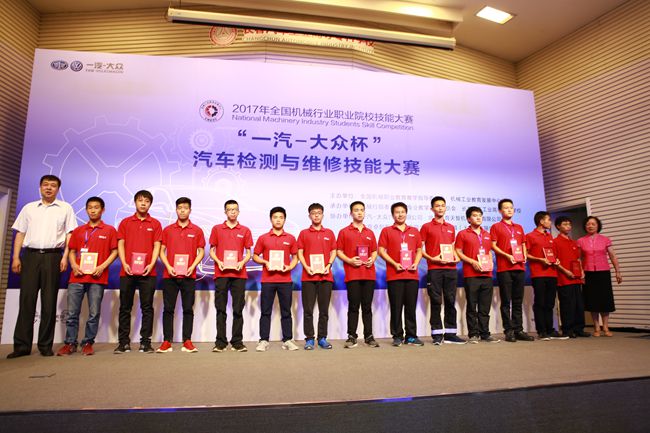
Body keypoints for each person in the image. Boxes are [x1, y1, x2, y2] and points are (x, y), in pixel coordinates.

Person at [8, 174, 77, 358]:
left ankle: (45, 346)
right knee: (26, 300)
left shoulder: (65, 208)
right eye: (45, 185)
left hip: (53, 257)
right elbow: (20, 234)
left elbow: (70, 235)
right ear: (40, 187)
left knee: (49, 301)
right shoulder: (29, 208)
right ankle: (21, 346)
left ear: (58, 189)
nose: (49, 188)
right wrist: (15, 257)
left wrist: (65, 257)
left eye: (53, 185)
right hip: (30, 256)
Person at [56, 197, 118, 356]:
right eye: (90, 207)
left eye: (96, 207)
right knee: (72, 313)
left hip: (97, 278)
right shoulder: (78, 230)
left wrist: (102, 266)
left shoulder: (110, 230)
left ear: (103, 210)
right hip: (77, 277)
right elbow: (72, 251)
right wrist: (74, 265)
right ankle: (70, 343)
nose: (93, 210)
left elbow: (115, 251)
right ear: (86, 210)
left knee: (94, 313)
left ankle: (88, 343)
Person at [114, 190, 162, 354]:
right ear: (135, 202)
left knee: (147, 307)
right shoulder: (125, 222)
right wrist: (124, 263)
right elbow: (120, 244)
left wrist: (151, 264)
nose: (143, 203)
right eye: (140, 200)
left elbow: (157, 246)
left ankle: (145, 342)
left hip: (148, 272)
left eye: (147, 201)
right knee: (125, 307)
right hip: (127, 271)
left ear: (150, 204)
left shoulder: (155, 224)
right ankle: (123, 343)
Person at [157, 197, 205, 353]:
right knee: (168, 309)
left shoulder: (197, 230)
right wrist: (168, 266)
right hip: (170, 275)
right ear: (176, 210)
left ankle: (187, 341)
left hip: (189, 276)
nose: (182, 210)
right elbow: (161, 251)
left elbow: (201, 251)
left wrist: (192, 266)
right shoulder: (168, 230)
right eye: (179, 208)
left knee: (188, 309)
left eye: (185, 207)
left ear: (190, 210)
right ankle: (166, 341)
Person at [209, 199, 253, 352]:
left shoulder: (245, 230)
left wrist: (242, 262)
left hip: (239, 275)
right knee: (220, 309)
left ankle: (237, 342)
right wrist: (219, 262)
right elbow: (212, 251)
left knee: (238, 309)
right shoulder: (217, 229)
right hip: (221, 273)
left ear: (238, 212)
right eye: (229, 209)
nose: (232, 212)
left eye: (235, 209)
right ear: (225, 212)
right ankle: (220, 342)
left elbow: (249, 253)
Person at [253, 206, 299, 351]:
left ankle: (288, 340)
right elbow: (255, 256)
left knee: (286, 311)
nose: (278, 220)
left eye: (281, 217)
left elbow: (295, 257)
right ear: (271, 219)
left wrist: (290, 267)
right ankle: (263, 340)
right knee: (265, 311)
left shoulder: (290, 238)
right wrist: (265, 262)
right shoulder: (263, 238)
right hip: (268, 280)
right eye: (275, 217)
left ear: (284, 219)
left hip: (285, 280)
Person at [420, 196, 465, 345]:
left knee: (450, 301)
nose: (440, 208)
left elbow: (452, 247)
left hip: (451, 269)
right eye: (437, 206)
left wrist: (456, 257)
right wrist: (432, 258)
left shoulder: (451, 227)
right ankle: (437, 334)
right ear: (432, 209)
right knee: (436, 301)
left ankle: (451, 334)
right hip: (435, 269)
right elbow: (420, 249)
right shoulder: (426, 227)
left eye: (443, 205)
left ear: (445, 208)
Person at [378, 202, 423, 347]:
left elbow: (419, 250)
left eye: (402, 212)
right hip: (395, 275)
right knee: (396, 307)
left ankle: (411, 336)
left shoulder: (414, 231)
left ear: (406, 213)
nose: (400, 214)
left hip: (412, 274)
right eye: (397, 212)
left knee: (411, 307)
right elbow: (381, 250)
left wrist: (416, 263)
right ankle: (397, 336)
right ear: (393, 214)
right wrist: (394, 263)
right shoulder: (386, 231)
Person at [490, 199, 534, 343]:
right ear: (500, 211)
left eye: (511, 208)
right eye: (506, 208)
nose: (509, 210)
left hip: (519, 267)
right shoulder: (496, 227)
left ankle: (518, 329)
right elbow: (493, 245)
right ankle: (508, 331)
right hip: (505, 268)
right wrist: (507, 255)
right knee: (506, 301)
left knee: (517, 300)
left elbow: (523, 244)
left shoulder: (519, 227)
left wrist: (524, 255)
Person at [336, 201, 379, 348]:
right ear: (351, 213)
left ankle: (369, 336)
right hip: (352, 274)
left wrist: (372, 259)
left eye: (362, 210)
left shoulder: (370, 232)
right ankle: (351, 336)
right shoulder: (344, 232)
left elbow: (374, 251)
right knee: (353, 306)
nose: (359, 212)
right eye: (356, 210)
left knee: (367, 307)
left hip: (368, 274)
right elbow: (338, 251)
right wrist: (349, 260)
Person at [455, 206, 500, 343]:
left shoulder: (487, 234)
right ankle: (473, 334)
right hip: (471, 275)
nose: (478, 217)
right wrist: (472, 261)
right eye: (475, 215)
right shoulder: (463, 234)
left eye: (480, 215)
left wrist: (491, 261)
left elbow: (489, 251)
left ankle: (485, 333)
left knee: (484, 307)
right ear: (469, 219)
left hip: (487, 274)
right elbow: (458, 252)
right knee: (472, 306)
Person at [297, 203, 337, 350]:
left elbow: (334, 251)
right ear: (309, 216)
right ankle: (309, 338)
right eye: (313, 213)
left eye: (319, 213)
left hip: (326, 277)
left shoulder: (329, 233)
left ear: (322, 215)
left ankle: (322, 338)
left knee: (324, 310)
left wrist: (329, 265)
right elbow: (300, 252)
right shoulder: (303, 233)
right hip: (308, 277)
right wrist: (306, 267)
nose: (316, 215)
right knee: (308, 310)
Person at [577, 216, 622, 337]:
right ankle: (596, 327)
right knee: (592, 300)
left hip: (603, 272)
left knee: (605, 299)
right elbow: (579, 258)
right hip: (588, 273)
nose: (590, 226)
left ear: (598, 226)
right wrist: (581, 272)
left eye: (593, 224)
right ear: (585, 226)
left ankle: (605, 326)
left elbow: (613, 256)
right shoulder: (580, 241)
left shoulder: (605, 239)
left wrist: (618, 271)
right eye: (588, 224)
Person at [526, 211, 567, 341]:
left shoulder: (549, 236)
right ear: (541, 221)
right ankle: (542, 331)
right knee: (540, 302)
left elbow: (553, 255)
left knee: (550, 303)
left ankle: (550, 329)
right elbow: (525, 254)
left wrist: (556, 260)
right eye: (548, 220)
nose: (550, 222)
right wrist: (540, 259)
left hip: (552, 273)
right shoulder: (530, 236)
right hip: (538, 274)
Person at [554, 216, 590, 338]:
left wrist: (582, 272)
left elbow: (577, 259)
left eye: (569, 224)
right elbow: (555, 261)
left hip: (576, 278)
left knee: (578, 304)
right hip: (564, 279)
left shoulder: (574, 242)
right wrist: (566, 272)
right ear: (558, 226)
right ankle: (567, 329)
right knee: (567, 305)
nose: (568, 226)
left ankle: (579, 328)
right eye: (565, 224)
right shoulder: (555, 242)